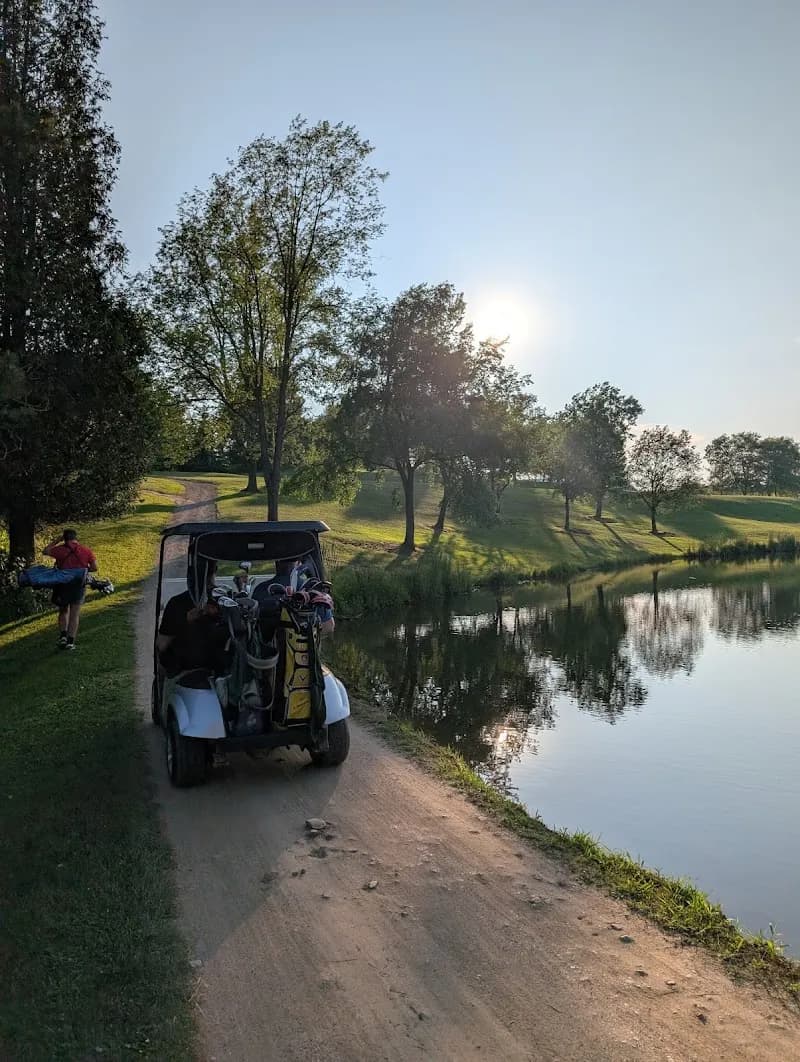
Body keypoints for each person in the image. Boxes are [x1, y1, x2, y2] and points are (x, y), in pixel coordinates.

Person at [157, 559, 229, 678]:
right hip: (223, 676)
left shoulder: (176, 603)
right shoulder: (227, 601)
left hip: (186, 676)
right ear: (215, 570)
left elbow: (162, 645)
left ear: (190, 574)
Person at [43, 529, 98, 650]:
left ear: (65, 538)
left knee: (63, 610)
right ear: (76, 538)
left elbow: (45, 551)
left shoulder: (60, 550)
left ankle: (63, 636)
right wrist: (83, 569)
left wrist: (56, 540)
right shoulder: (86, 550)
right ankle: (70, 642)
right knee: (75, 614)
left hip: (63, 584)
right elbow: (94, 568)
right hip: (78, 584)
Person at [272, 558, 335, 634]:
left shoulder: (259, 589)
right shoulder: (310, 588)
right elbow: (329, 626)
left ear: (276, 563)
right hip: (299, 642)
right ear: (298, 562)